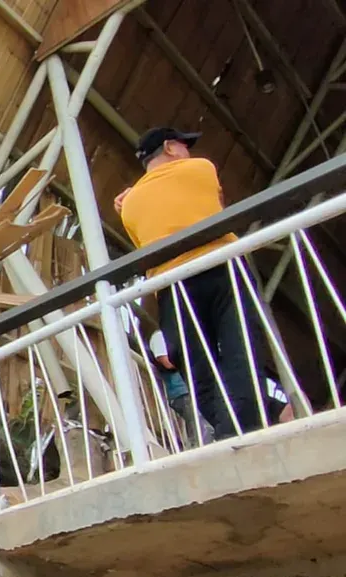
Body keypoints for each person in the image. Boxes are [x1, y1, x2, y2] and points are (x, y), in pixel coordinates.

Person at [115, 127, 268, 441]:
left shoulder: (128, 206)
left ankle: (227, 433)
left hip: (173, 286)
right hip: (222, 267)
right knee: (241, 351)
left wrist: (135, 193)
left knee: (198, 367)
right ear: (171, 147)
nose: (188, 152)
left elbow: (146, 238)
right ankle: (245, 428)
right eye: (184, 146)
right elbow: (216, 204)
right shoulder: (202, 169)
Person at [148, 330, 215, 449]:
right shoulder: (159, 336)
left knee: (197, 427)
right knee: (202, 427)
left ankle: (196, 452)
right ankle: (201, 454)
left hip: (187, 390)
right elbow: (165, 361)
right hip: (181, 391)